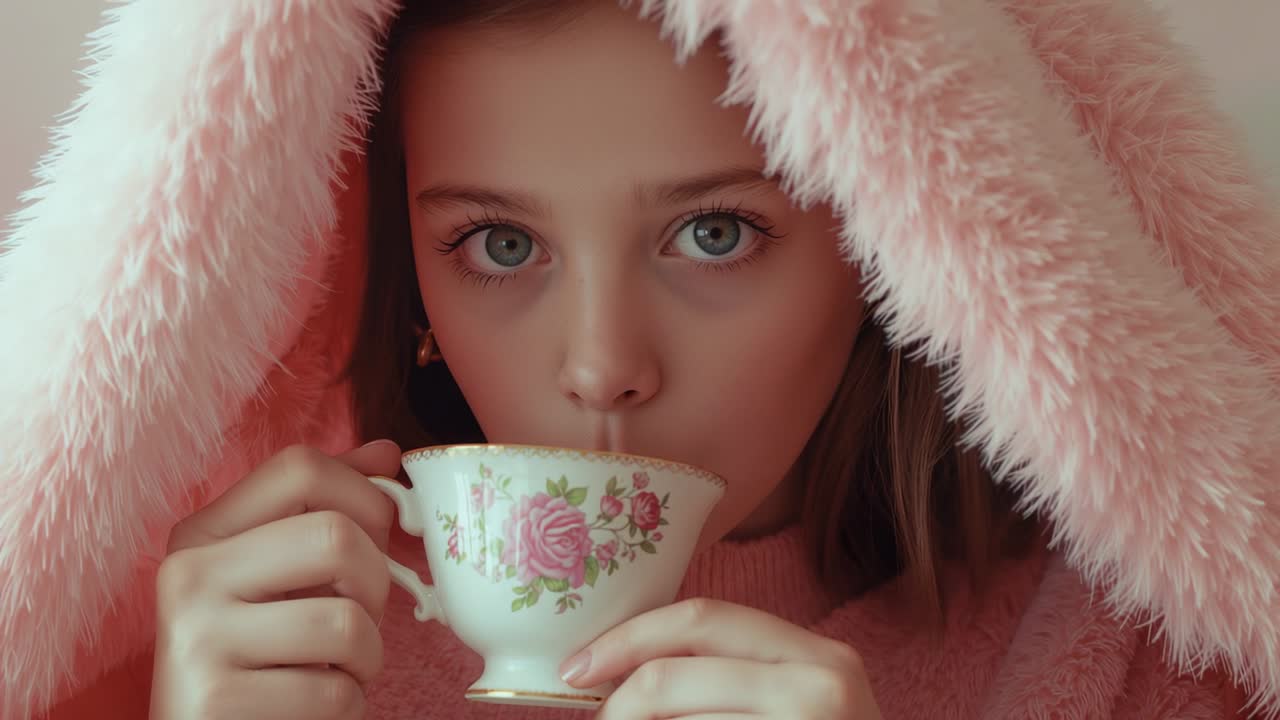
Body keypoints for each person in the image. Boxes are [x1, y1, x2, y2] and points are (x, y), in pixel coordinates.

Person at [4, 1, 1278, 719]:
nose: (602, 366)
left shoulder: (1125, 656)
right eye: (497, 244)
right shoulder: (265, 640)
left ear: (902, 243)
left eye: (712, 234)